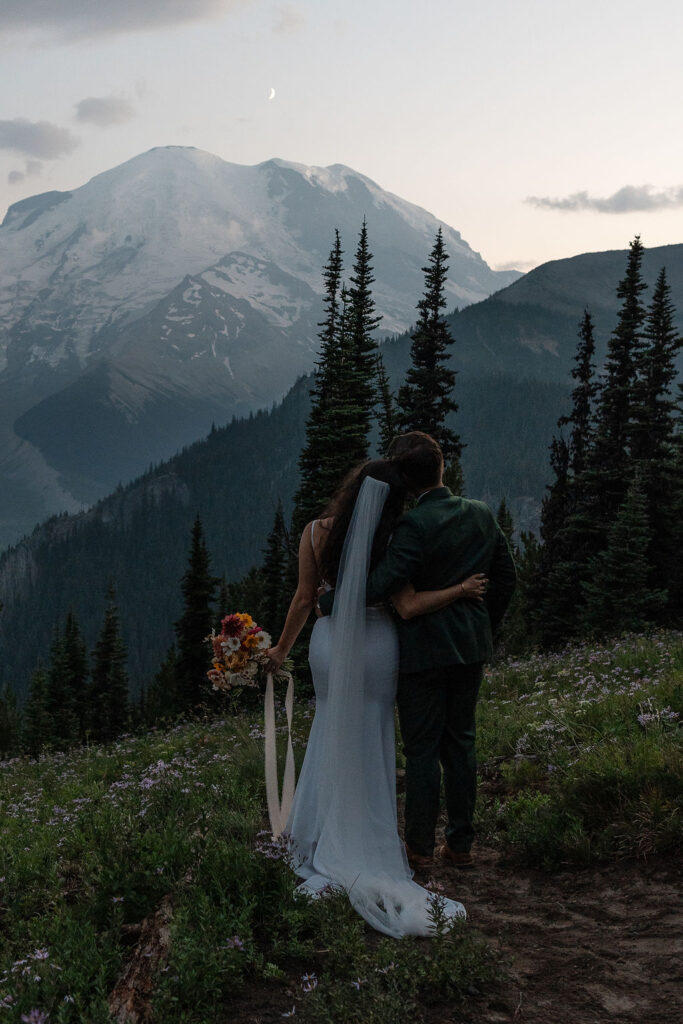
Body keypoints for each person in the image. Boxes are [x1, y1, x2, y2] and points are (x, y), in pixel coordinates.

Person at [266, 459, 487, 937]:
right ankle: (365, 837)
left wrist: (281, 649)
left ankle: (318, 836)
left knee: (327, 727)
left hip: (329, 645)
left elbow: (306, 598)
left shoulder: (314, 533)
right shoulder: (393, 540)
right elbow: (403, 601)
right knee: (373, 733)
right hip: (377, 645)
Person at [360, 432, 517, 871]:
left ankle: (419, 850)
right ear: (441, 467)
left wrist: (331, 602)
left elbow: (382, 583)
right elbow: (507, 578)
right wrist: (482, 626)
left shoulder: (414, 525)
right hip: (470, 651)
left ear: (405, 482)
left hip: (423, 655)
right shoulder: (482, 515)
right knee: (462, 744)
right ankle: (461, 845)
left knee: (423, 751)